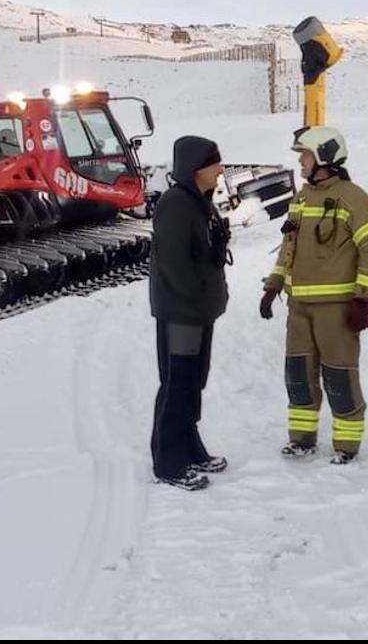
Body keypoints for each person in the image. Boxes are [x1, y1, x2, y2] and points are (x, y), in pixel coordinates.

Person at [261, 126, 368, 465]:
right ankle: (301, 440)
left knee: (338, 375)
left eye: (304, 155)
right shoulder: (301, 199)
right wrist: (273, 285)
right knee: (298, 375)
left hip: (336, 308)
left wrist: (363, 298)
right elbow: (289, 247)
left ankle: (346, 446)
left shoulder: (354, 198)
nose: (300, 162)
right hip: (298, 307)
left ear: (324, 158)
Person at [148, 136, 231, 490]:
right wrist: (197, 296)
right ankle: (168, 462)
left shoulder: (200, 203)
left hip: (198, 312)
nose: (220, 169)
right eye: (215, 163)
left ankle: (190, 447)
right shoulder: (176, 205)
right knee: (178, 382)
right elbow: (173, 263)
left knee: (194, 381)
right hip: (182, 312)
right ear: (197, 168)